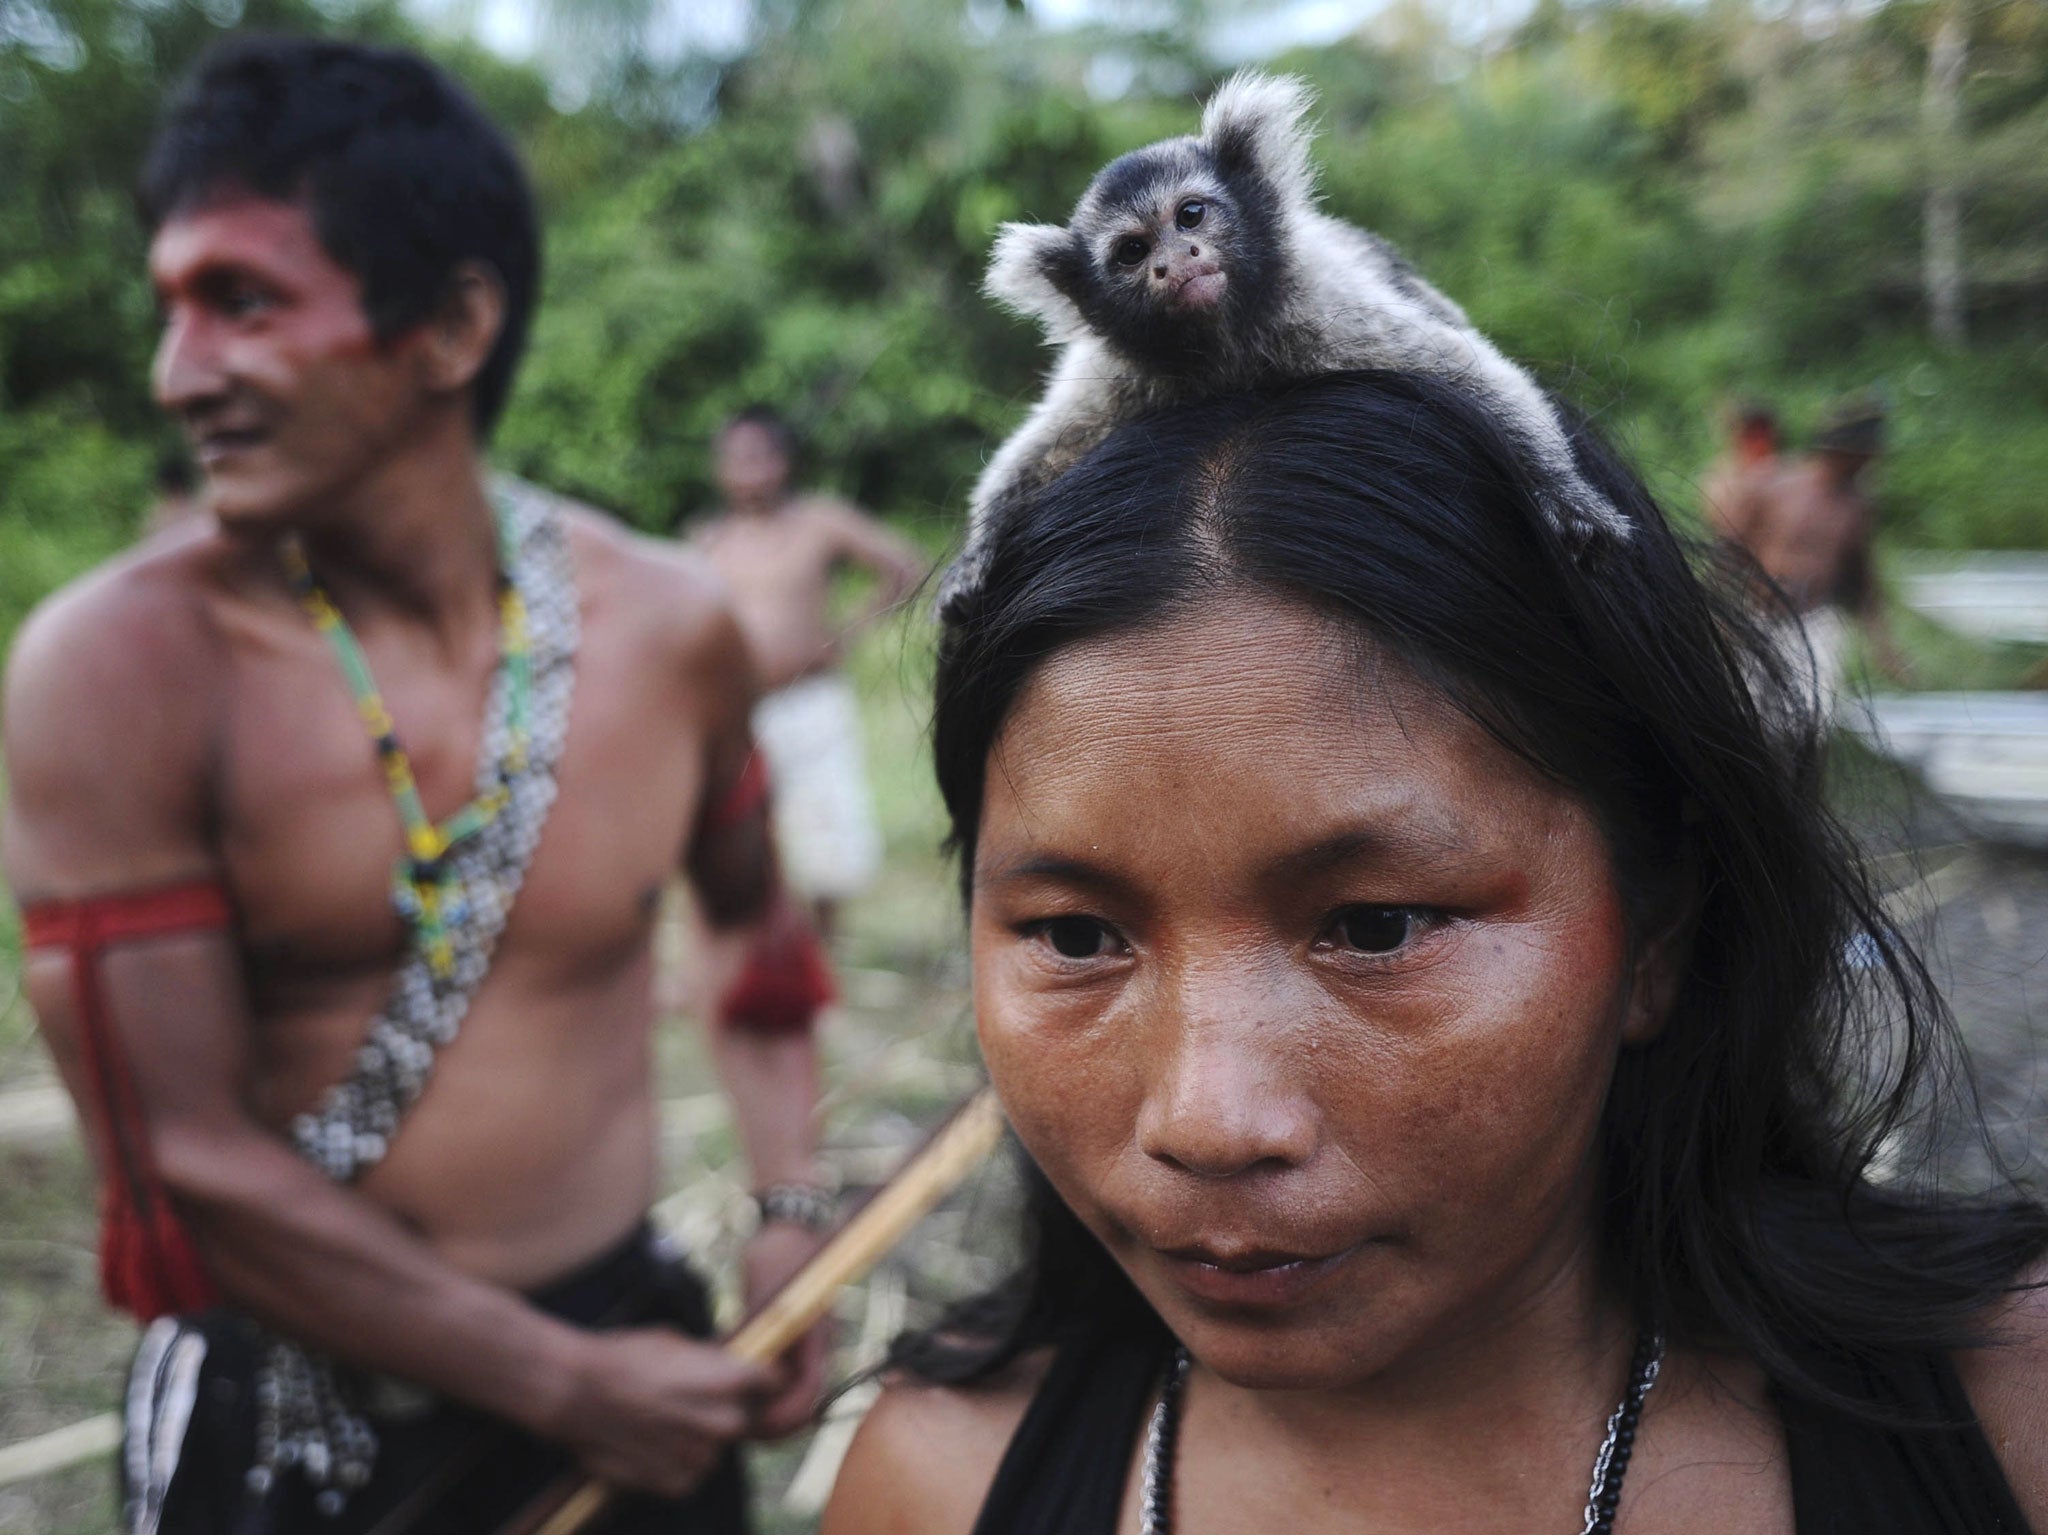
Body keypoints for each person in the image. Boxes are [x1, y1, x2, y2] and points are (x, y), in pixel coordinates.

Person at [822, 370, 2048, 1533]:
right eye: (1076, 935)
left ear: (1658, 922)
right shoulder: (937, 1484)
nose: (1207, 1117)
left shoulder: (2008, 1414)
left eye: (1374, 926)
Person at [2, 37, 832, 1535]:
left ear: (450, 325)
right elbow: (178, 1165)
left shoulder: (667, 629)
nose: (175, 373)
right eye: (169, 306)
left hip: (625, 1343)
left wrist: (785, 1220)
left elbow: (762, 950)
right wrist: (566, 1385)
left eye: (242, 301)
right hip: (298, 1414)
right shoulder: (120, 668)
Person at [691, 407, 926, 931]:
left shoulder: (818, 521)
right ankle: (751, 948)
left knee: (825, 833)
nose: (747, 469)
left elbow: (904, 565)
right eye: (735, 457)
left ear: (783, 461)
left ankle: (822, 948)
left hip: (810, 700)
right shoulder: (709, 540)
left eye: (758, 455)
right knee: (737, 835)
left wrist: (847, 633)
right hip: (737, 710)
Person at [1712, 397, 1911, 719]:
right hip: (1757, 616)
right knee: (1747, 715)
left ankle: (1798, 769)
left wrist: (1884, 646)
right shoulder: (1772, 484)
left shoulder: (1857, 506)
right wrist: (1721, 614)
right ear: (1845, 450)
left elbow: (1862, 580)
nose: (1871, 459)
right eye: (1866, 452)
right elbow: (1729, 550)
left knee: (1810, 718)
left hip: (1814, 621)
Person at [1699, 399, 1780, 539]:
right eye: (1753, 435)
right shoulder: (1720, 476)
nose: (1760, 442)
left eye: (1763, 433)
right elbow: (1720, 522)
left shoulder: (1785, 472)